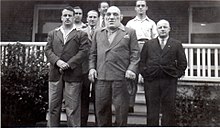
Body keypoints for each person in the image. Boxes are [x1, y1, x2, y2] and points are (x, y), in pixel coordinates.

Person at [89, 6, 140, 127]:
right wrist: (91, 68)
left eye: (115, 15)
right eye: (109, 15)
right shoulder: (98, 32)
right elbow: (92, 54)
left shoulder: (129, 32)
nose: (112, 17)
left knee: (121, 111)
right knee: (101, 111)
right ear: (105, 17)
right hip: (101, 77)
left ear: (121, 17)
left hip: (121, 78)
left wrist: (131, 69)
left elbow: (135, 54)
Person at [45, 6, 90, 127]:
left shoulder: (81, 34)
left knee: (72, 108)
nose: (67, 18)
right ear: (61, 17)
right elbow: (48, 50)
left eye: (70, 15)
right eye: (65, 15)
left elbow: (83, 52)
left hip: (73, 74)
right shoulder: (53, 34)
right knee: (53, 107)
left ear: (74, 17)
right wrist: (58, 62)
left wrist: (69, 64)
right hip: (55, 74)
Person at [139, 19, 187, 126]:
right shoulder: (148, 44)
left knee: (168, 109)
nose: (162, 29)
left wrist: (176, 75)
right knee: (152, 109)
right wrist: (145, 74)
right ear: (157, 29)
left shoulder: (176, 44)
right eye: (160, 27)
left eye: (165, 27)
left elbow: (182, 63)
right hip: (151, 81)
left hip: (169, 81)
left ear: (169, 29)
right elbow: (142, 62)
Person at [126, 0, 158, 113]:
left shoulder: (152, 23)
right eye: (138, 6)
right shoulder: (130, 23)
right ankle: (130, 104)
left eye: (142, 6)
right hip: (134, 49)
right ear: (135, 8)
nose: (140, 8)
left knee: (149, 77)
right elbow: (126, 39)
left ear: (146, 8)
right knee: (131, 77)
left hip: (148, 49)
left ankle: (152, 104)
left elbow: (156, 39)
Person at [80, 10, 99, 126]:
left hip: (98, 67)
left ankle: (99, 123)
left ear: (98, 19)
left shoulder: (103, 31)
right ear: (87, 19)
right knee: (84, 97)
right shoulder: (81, 32)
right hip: (84, 68)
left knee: (98, 97)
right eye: (90, 17)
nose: (92, 19)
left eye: (94, 17)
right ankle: (83, 123)